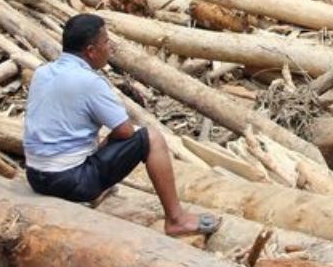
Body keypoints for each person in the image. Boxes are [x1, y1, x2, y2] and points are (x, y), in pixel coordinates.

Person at [22, 14, 215, 235]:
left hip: (36, 176)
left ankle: (88, 176)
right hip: (69, 182)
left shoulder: (42, 72)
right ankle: (176, 219)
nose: (110, 47)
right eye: (106, 41)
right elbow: (124, 131)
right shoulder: (91, 83)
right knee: (150, 138)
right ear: (91, 51)